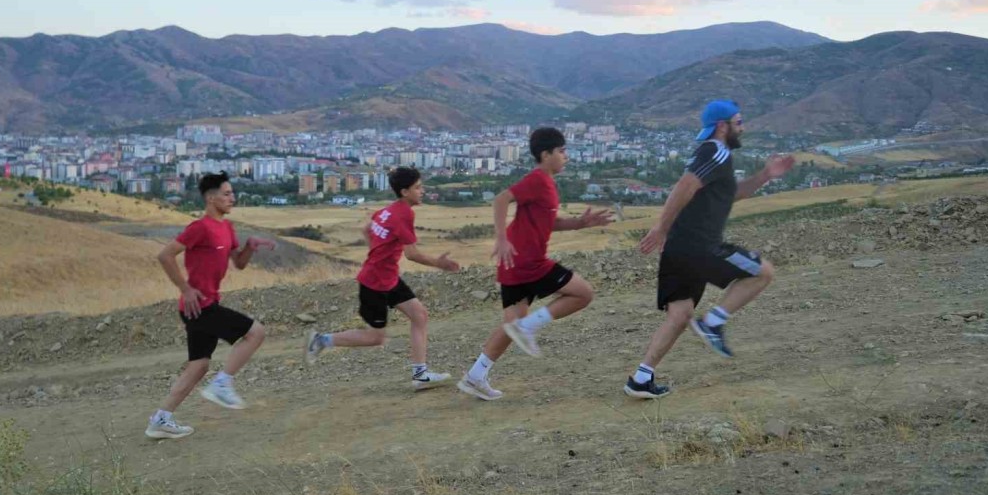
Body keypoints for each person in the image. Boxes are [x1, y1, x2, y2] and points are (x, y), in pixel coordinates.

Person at [624, 99, 795, 399]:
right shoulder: (714, 151)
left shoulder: (718, 155)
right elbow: (684, 186)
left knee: (679, 315)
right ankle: (713, 322)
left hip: (679, 247)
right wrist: (660, 227)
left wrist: (766, 176)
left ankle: (640, 378)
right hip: (699, 245)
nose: (743, 127)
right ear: (722, 126)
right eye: (739, 122)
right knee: (763, 272)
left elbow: (731, 194)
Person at [457, 127, 613, 401]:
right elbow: (501, 199)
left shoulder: (547, 185)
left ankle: (475, 376)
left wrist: (581, 223)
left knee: (510, 327)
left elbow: (550, 222)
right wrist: (502, 238)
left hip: (513, 266)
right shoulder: (538, 180)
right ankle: (529, 325)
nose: (566, 156)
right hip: (528, 262)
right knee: (583, 293)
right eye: (562, 151)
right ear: (546, 154)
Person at [145, 172, 276, 439]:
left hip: (205, 304)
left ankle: (160, 419)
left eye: (232, 193)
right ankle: (222, 384)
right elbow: (165, 255)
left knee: (199, 366)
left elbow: (238, 263)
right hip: (199, 306)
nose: (232, 198)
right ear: (210, 198)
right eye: (227, 194)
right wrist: (185, 288)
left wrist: (250, 246)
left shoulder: (227, 228)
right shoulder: (200, 227)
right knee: (256, 332)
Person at [305, 167, 461, 390]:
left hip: (387, 278)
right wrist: (439, 263)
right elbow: (412, 254)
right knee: (375, 338)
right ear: (405, 191)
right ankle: (320, 341)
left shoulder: (389, 210)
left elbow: (367, 228)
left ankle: (420, 375)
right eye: (418, 187)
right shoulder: (404, 213)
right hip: (375, 284)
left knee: (420, 315)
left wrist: (378, 255)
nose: (422, 191)